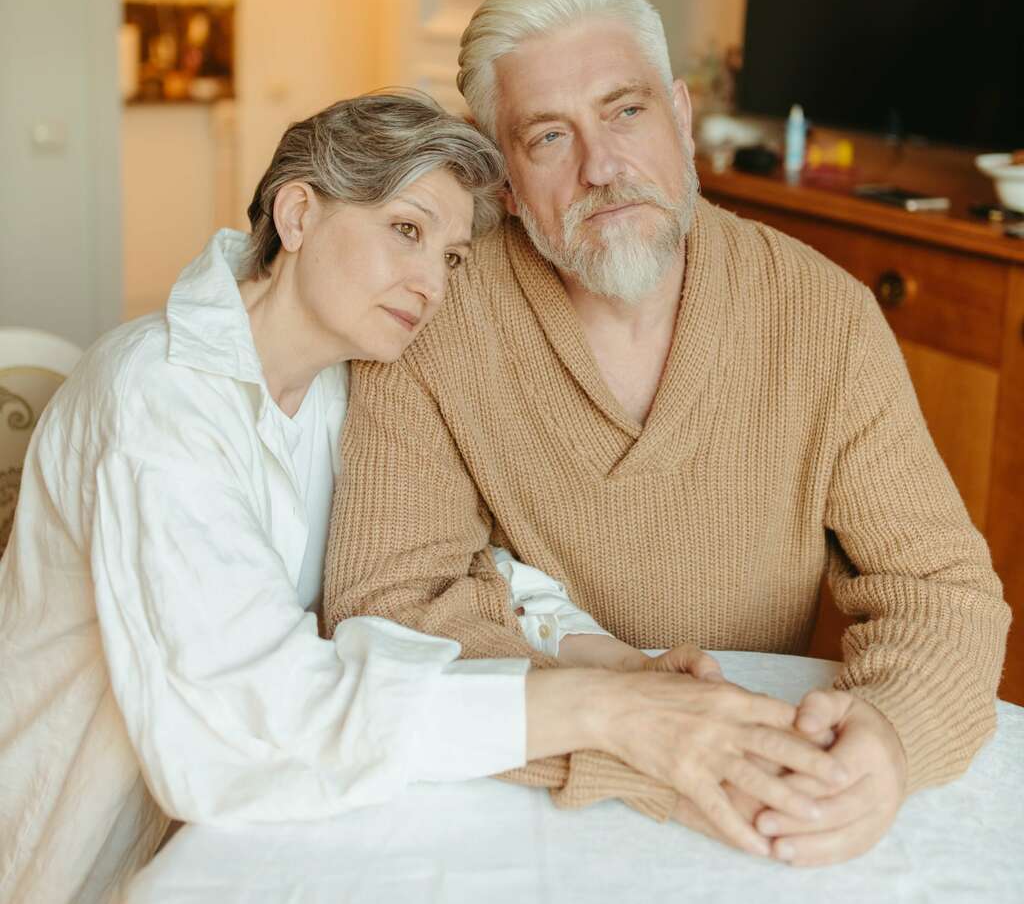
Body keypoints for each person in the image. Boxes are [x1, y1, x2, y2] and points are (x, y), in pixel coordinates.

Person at [0, 91, 844, 904]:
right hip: (75, 860)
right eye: (404, 230)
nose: (432, 285)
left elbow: (459, 560)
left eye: (449, 257)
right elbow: (245, 719)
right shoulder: (158, 400)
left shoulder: (345, 380)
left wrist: (600, 653)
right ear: (296, 216)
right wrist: (600, 709)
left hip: (251, 827)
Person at [322, 0, 1012, 867]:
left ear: (682, 118)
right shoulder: (434, 319)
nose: (602, 167)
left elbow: (943, 591)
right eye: (548, 138)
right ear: (503, 184)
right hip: (509, 809)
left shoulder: (823, 316)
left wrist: (890, 737)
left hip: (758, 807)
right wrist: (635, 737)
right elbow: (389, 611)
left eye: (626, 111)